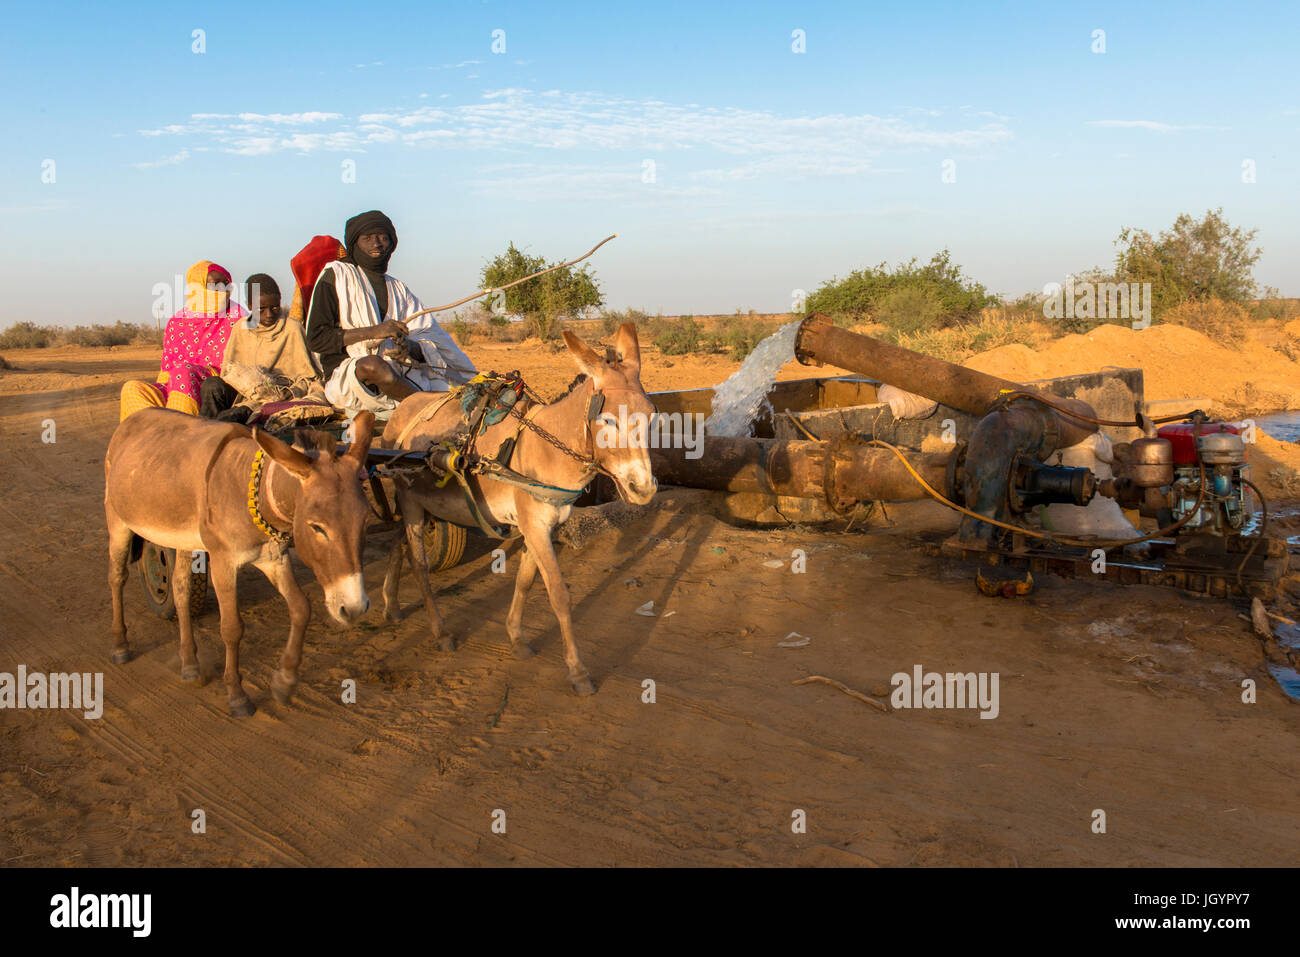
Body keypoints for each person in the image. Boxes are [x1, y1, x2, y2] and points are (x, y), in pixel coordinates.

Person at [305, 209, 476, 418]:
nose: (376, 244)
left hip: (398, 372)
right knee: (373, 365)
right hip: (347, 376)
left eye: (383, 238)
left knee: (450, 390)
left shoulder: (399, 289)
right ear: (355, 243)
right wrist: (375, 332)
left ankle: (424, 407)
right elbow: (317, 339)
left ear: (391, 244)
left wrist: (408, 347)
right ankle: (426, 413)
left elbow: (431, 337)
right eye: (367, 238)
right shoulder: (336, 276)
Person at [120, 261, 246, 420]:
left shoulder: (239, 318)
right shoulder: (177, 322)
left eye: (225, 286)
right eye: (215, 286)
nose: (221, 291)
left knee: (183, 372)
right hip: (175, 382)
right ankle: (151, 434)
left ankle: (178, 434)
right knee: (132, 388)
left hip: (217, 382)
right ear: (196, 287)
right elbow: (166, 371)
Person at [199, 274, 326, 422]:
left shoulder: (292, 328)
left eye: (275, 307)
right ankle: (205, 430)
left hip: (277, 394)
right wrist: (251, 384)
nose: (269, 314)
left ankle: (229, 422)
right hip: (244, 391)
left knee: (238, 414)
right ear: (250, 306)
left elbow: (309, 377)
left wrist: (290, 392)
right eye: (261, 309)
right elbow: (229, 372)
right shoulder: (241, 328)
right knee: (211, 385)